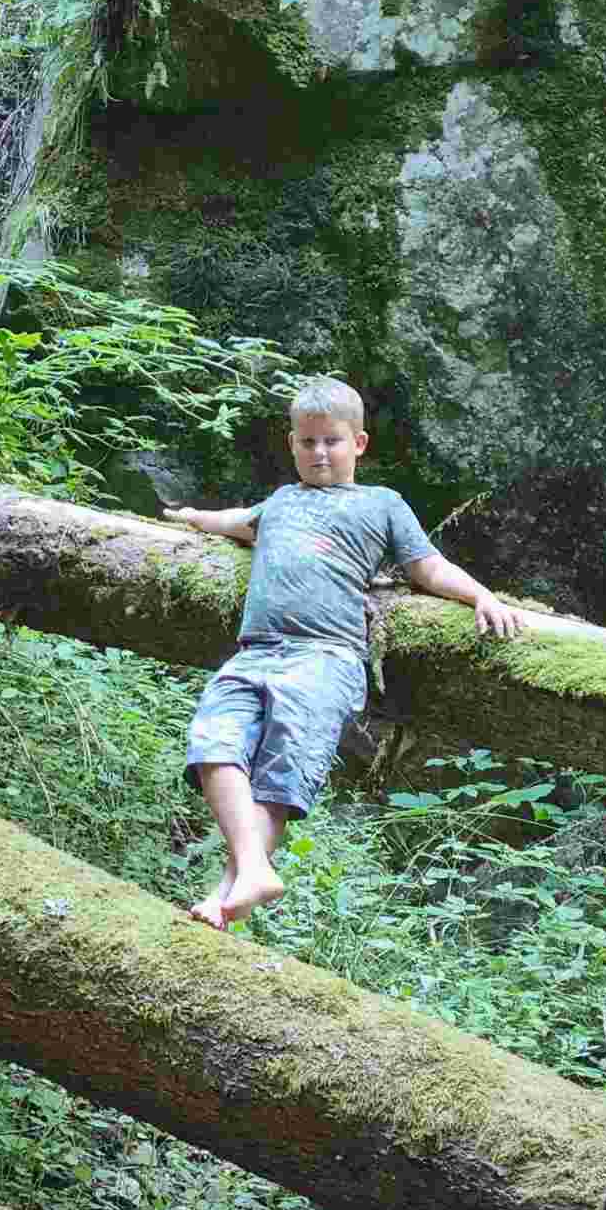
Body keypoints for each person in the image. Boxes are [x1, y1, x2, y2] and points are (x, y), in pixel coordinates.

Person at [162, 377, 523, 932]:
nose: (320, 453)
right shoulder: (281, 501)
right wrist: (192, 517)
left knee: (280, 773)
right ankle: (252, 872)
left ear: (358, 443)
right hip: (257, 652)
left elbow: (427, 566)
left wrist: (482, 596)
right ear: (292, 445)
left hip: (325, 657)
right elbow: (234, 522)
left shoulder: (381, 504)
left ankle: (226, 894)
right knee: (214, 742)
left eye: (331, 441)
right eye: (308, 443)